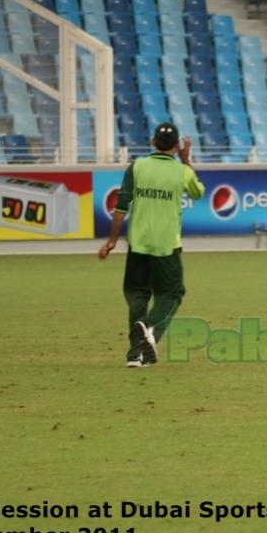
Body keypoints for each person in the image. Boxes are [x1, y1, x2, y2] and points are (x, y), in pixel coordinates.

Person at [99, 123, 205, 367]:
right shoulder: (182, 171)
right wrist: (186, 160)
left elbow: (121, 206)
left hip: (137, 243)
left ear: (153, 142)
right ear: (177, 146)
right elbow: (198, 193)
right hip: (166, 245)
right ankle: (149, 328)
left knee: (138, 296)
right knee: (173, 293)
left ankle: (135, 354)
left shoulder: (137, 166)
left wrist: (111, 241)